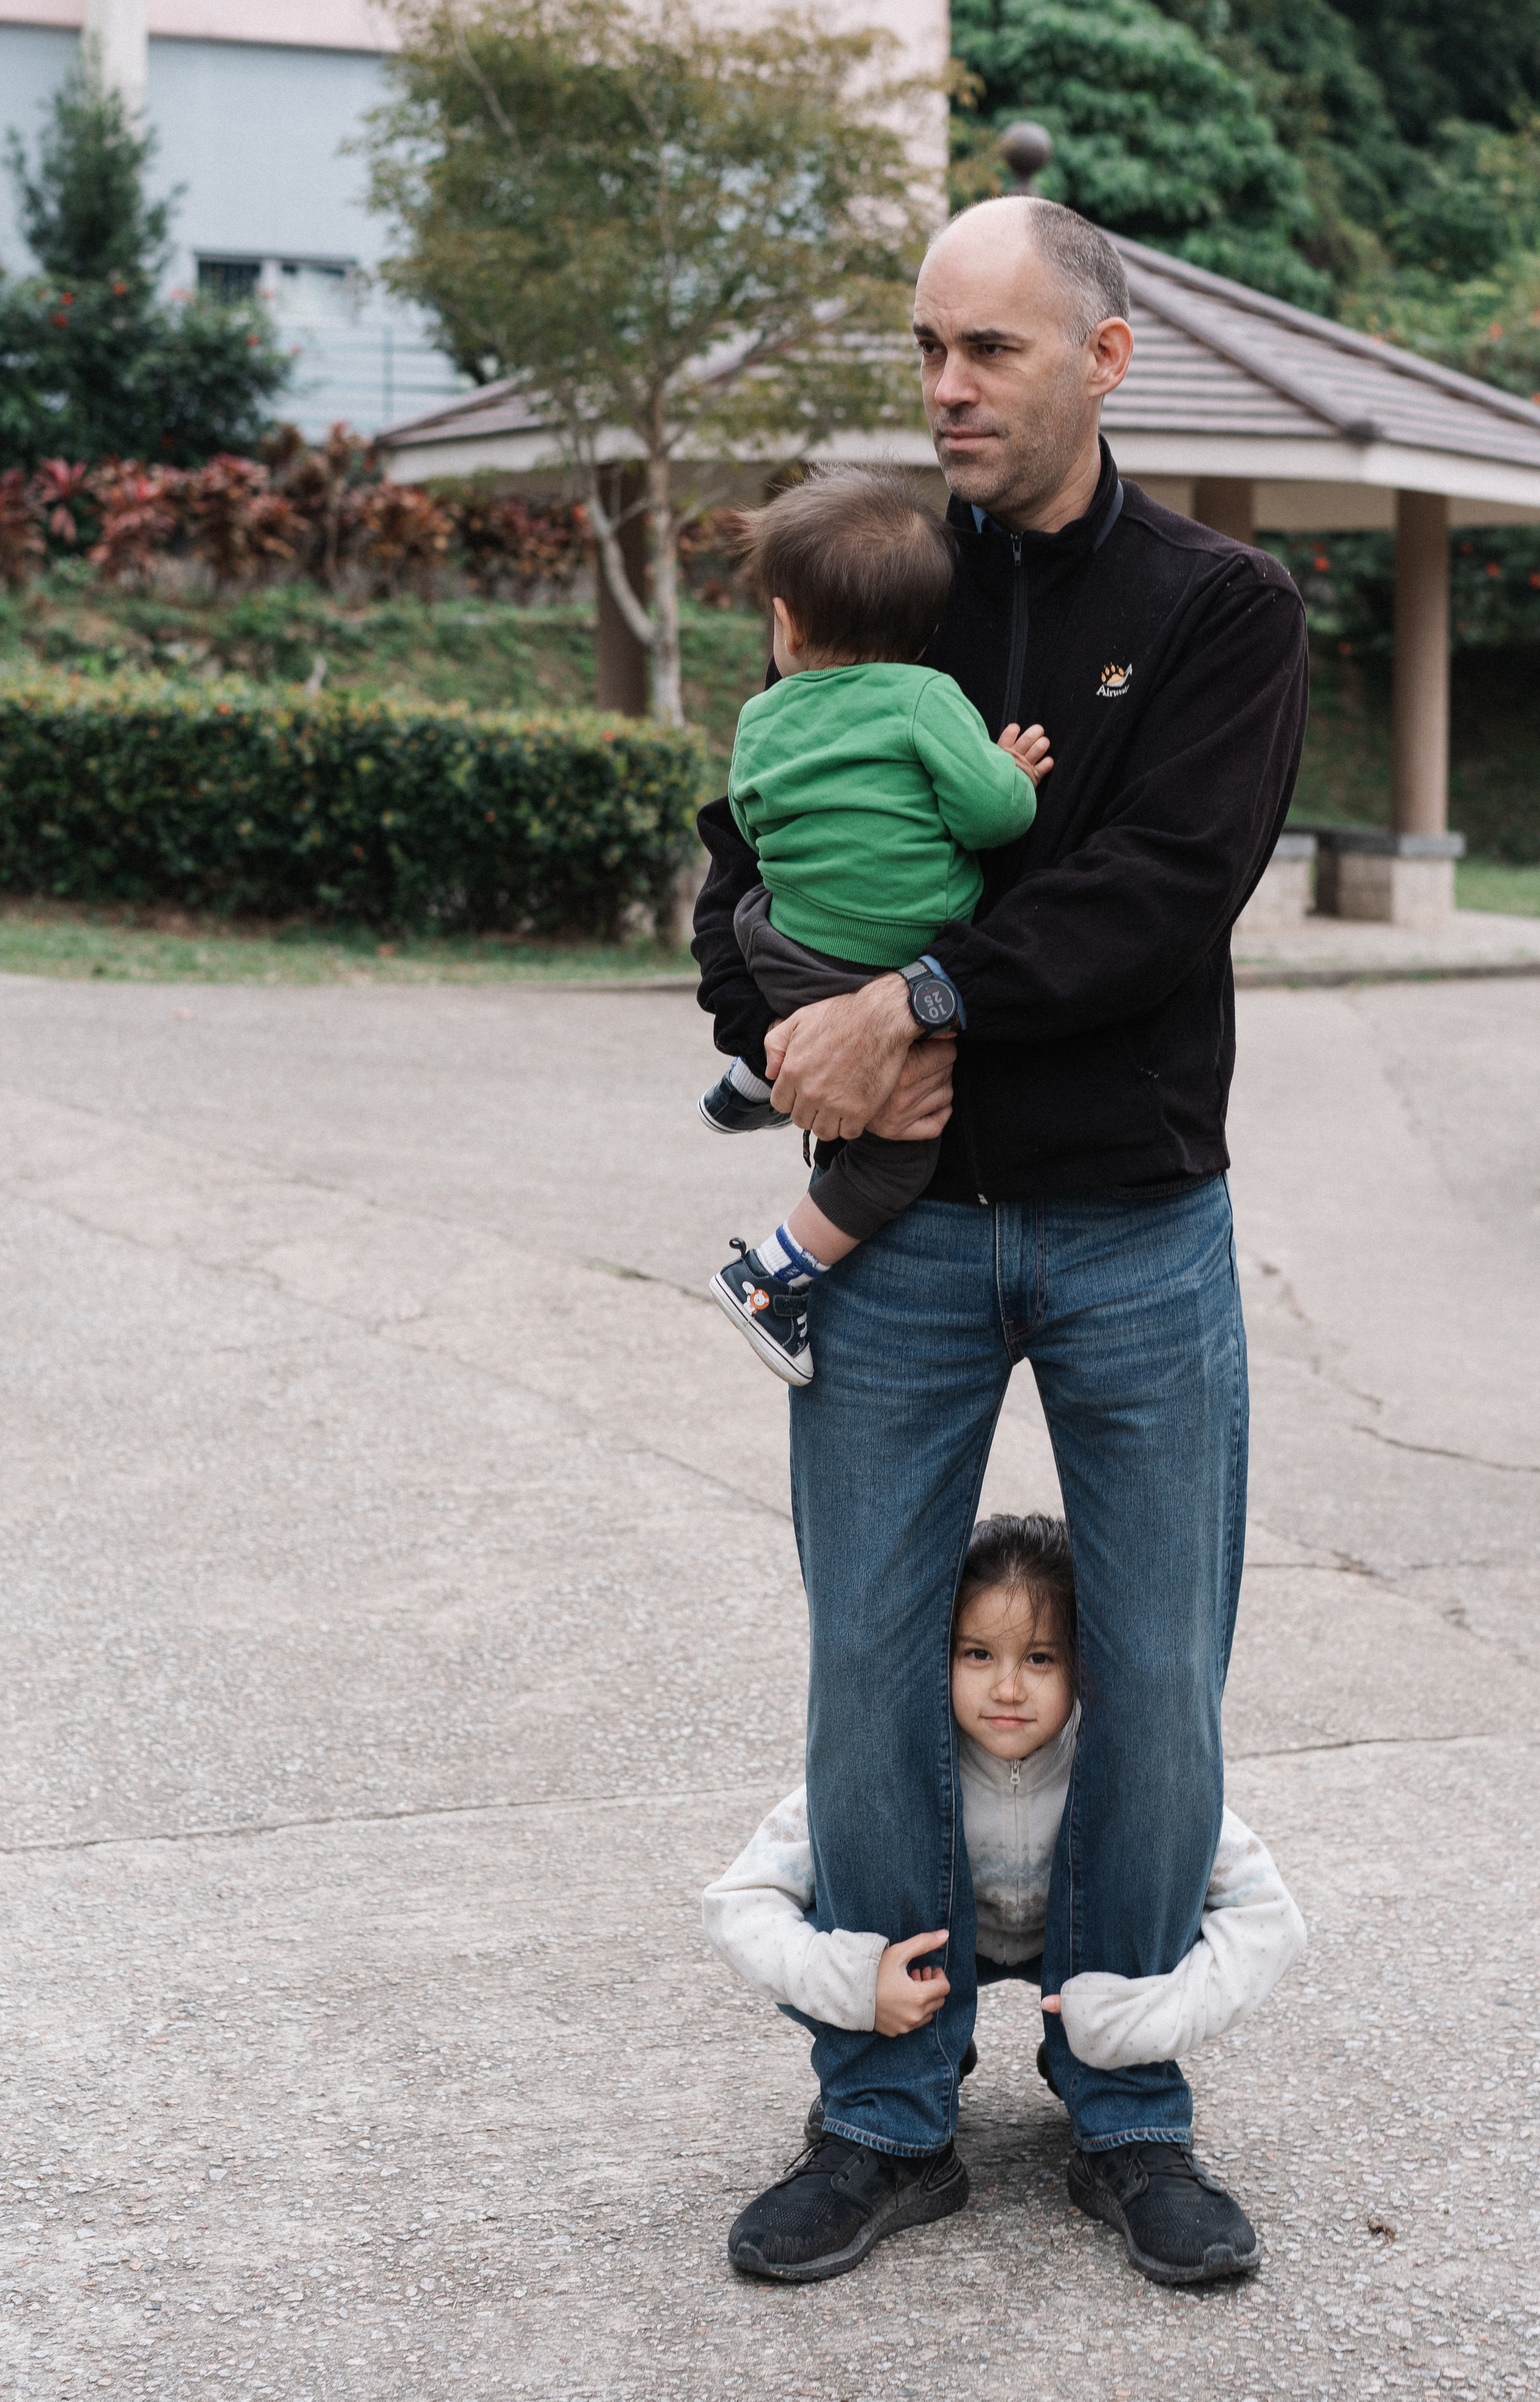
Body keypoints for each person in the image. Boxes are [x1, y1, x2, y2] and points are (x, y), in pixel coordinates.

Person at [692, 193, 1309, 2286]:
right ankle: (884, 2107)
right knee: (872, 1658)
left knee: (1155, 1668)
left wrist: (918, 1004)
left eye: (991, 352)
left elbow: (1161, 889)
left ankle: (1126, 2094)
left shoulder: (1224, 605)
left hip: (1143, 1218)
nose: (946, 388)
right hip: (908, 1236)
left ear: (1103, 362)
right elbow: (744, 849)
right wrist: (779, 1032)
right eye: (929, 350)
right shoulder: (880, 580)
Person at [702, 1515, 1305, 2283]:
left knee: (1172, 1865)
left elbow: (1269, 1921)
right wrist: (853, 1985)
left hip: (1087, 1952)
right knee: (829, 1913)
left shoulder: (1122, 1767)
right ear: (938, 1654)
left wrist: (1144, 2021)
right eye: (978, 1654)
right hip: (927, 1965)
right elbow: (738, 1902)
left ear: (1085, 1664)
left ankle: (1128, 2116)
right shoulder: (892, 1763)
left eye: (1041, 1658)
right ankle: (902, 2086)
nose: (1009, 1688)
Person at [699, 470, 1050, 1386]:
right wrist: (1007, 769)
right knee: (901, 1154)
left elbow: (752, 819)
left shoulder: (762, 712)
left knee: (748, 906)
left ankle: (757, 1071)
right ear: (929, 629)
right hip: (890, 966)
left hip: (780, 948)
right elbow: (991, 819)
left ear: (787, 623)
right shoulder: (927, 697)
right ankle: (773, 1275)